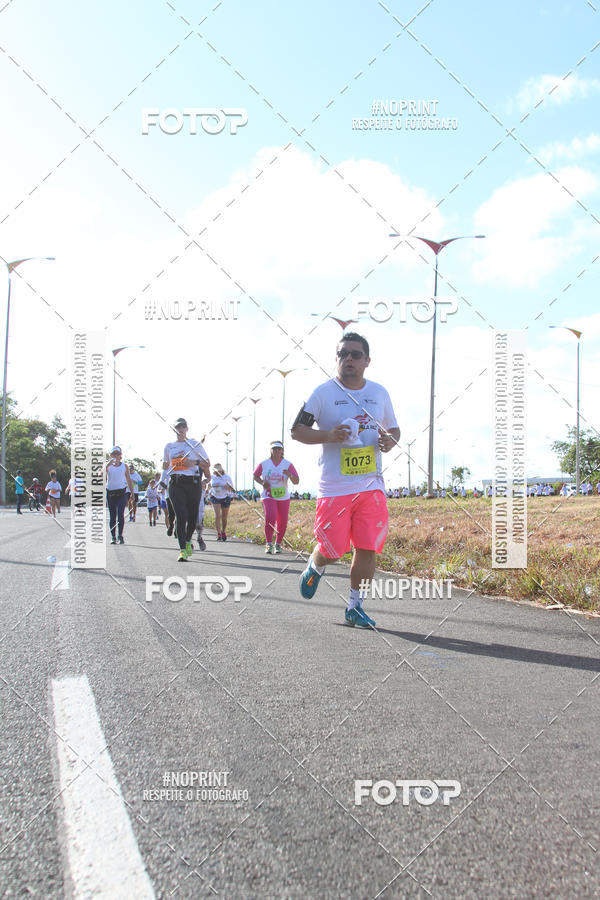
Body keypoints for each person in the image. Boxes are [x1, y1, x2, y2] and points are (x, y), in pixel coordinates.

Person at [292, 332, 400, 628]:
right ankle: (316, 565)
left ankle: (355, 606)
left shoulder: (379, 393)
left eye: (355, 354)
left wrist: (390, 440)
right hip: (335, 488)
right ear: (337, 359)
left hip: (371, 486)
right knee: (333, 550)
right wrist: (327, 435)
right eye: (343, 354)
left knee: (368, 547)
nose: (348, 359)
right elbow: (296, 430)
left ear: (367, 360)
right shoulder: (322, 393)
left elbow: (393, 429)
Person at [162, 418, 210, 562]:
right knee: (181, 516)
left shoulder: (194, 444)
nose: (180, 430)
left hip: (193, 483)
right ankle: (182, 550)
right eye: (178, 427)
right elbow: (165, 463)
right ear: (175, 430)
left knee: (192, 517)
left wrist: (193, 462)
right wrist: (165, 465)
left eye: (183, 427)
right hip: (176, 484)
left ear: (187, 429)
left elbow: (207, 463)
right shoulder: (169, 446)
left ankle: (188, 540)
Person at [254, 441, 300, 554]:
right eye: (274, 449)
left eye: (279, 449)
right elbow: (255, 475)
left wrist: (289, 474)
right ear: (271, 450)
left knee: (282, 522)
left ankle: (278, 544)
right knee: (271, 516)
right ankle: (269, 544)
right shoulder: (264, 463)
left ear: (283, 451)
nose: (277, 451)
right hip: (268, 495)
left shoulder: (288, 464)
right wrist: (262, 482)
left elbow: (296, 481)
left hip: (283, 496)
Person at [106, 447, 133, 544]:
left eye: (118, 454)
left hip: (122, 492)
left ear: (120, 455)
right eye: (114, 454)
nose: (116, 456)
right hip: (110, 492)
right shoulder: (107, 466)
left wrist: (132, 493)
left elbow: (129, 479)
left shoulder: (124, 466)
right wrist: (107, 465)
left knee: (120, 514)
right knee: (112, 515)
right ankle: (113, 536)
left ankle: (120, 535)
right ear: (111, 455)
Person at [209, 463, 235, 541]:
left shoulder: (226, 477)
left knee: (224, 517)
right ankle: (218, 533)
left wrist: (226, 487)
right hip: (215, 497)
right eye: (216, 471)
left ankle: (223, 531)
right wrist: (210, 488)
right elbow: (209, 485)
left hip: (225, 497)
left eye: (219, 471)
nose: (217, 473)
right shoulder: (212, 477)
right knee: (217, 516)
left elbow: (232, 488)